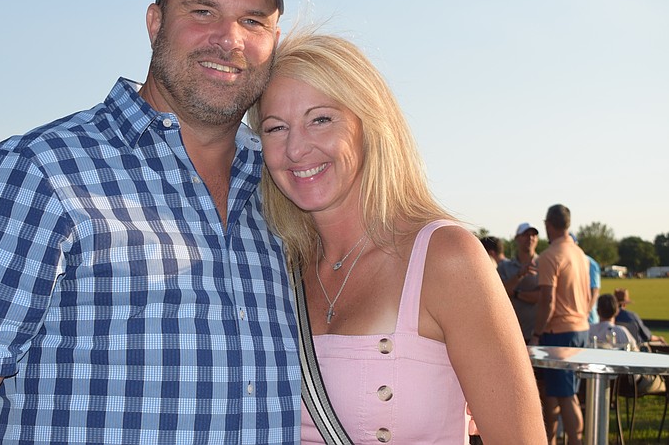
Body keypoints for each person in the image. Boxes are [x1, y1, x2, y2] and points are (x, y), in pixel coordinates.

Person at [0, 0, 299, 444]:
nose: (229, 39)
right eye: (202, 11)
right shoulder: (35, 174)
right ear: (155, 22)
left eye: (253, 21)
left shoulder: (284, 187)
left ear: (274, 39)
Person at [249, 31, 544, 444]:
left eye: (321, 119)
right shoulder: (274, 268)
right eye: (275, 128)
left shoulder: (445, 257)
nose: (296, 149)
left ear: (367, 125)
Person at [530, 204, 591, 445]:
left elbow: (548, 300)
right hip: (580, 328)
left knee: (566, 396)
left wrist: (536, 333)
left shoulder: (550, 256)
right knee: (555, 394)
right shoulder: (579, 254)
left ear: (548, 224)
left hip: (559, 333)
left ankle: (575, 441)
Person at [497, 222, 541, 343]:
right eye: (526, 235)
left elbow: (542, 297)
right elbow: (500, 293)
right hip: (510, 335)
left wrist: (516, 294)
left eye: (533, 235)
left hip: (536, 336)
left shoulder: (544, 264)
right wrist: (519, 275)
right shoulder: (504, 267)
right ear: (517, 238)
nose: (530, 238)